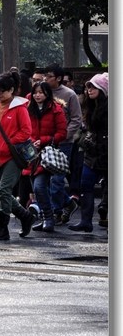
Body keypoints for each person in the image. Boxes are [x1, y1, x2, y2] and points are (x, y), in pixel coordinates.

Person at [0, 71, 36, 241]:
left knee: (4, 190)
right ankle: (25, 216)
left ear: (12, 90)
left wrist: (9, 143)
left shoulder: (19, 108)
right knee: (2, 193)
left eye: (2, 90)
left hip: (13, 156)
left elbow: (26, 131)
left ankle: (3, 228)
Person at [23, 82, 67, 232]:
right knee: (37, 189)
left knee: (39, 186)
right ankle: (45, 218)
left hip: (47, 155)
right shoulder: (28, 108)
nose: (37, 95)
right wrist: (30, 141)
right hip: (31, 154)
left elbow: (62, 133)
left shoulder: (56, 109)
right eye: (35, 92)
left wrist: (44, 140)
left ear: (47, 93)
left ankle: (49, 218)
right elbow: (24, 129)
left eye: (41, 92)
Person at [43, 64, 82, 225]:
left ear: (58, 78)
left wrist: (64, 135)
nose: (46, 79)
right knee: (45, 179)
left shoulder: (69, 94)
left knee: (57, 179)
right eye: (45, 76)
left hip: (64, 142)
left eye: (49, 76)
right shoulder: (43, 93)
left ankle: (56, 211)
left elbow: (76, 119)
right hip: (46, 141)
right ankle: (67, 203)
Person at [68, 73, 108, 233]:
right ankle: (85, 221)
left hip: (107, 153)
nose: (89, 90)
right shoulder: (89, 106)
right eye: (88, 87)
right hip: (91, 152)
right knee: (85, 184)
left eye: (94, 87)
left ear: (103, 89)